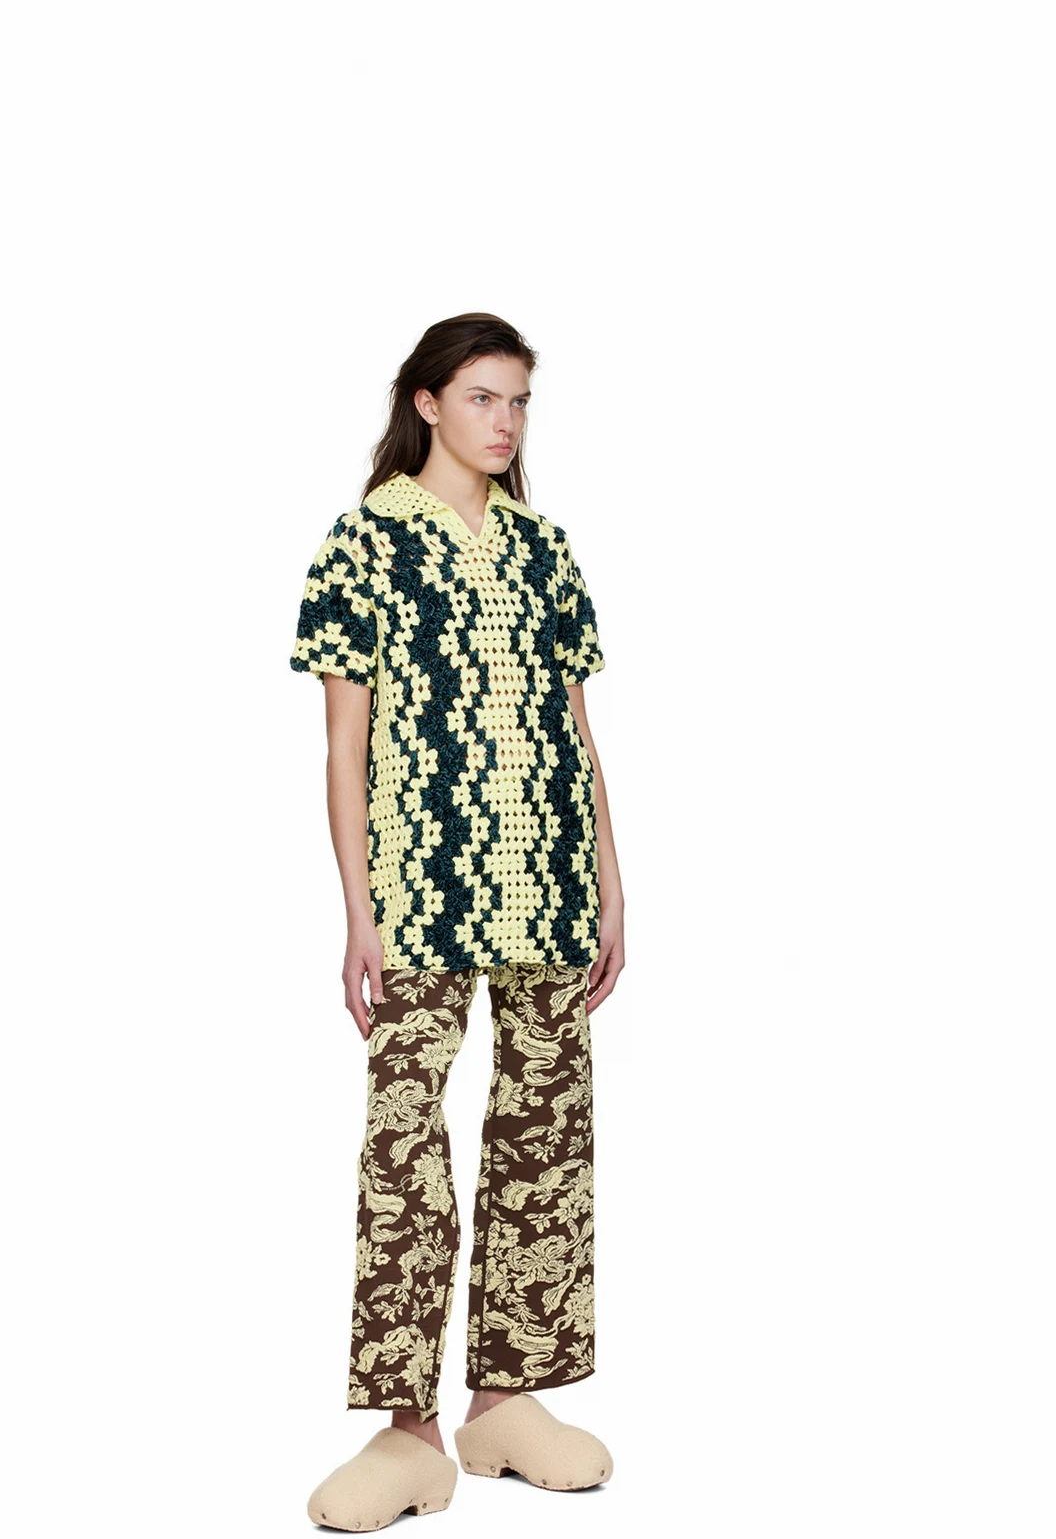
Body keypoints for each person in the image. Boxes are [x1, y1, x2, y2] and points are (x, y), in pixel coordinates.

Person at [290, 313, 625, 1531]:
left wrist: (611, 882)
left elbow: (576, 731)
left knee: (546, 1141)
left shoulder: (543, 548)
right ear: (427, 402)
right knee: (405, 1151)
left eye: (520, 401)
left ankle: (504, 1401)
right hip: (420, 892)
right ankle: (407, 1429)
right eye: (484, 397)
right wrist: (358, 911)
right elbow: (345, 746)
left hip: (550, 881)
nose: (506, 421)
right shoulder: (366, 542)